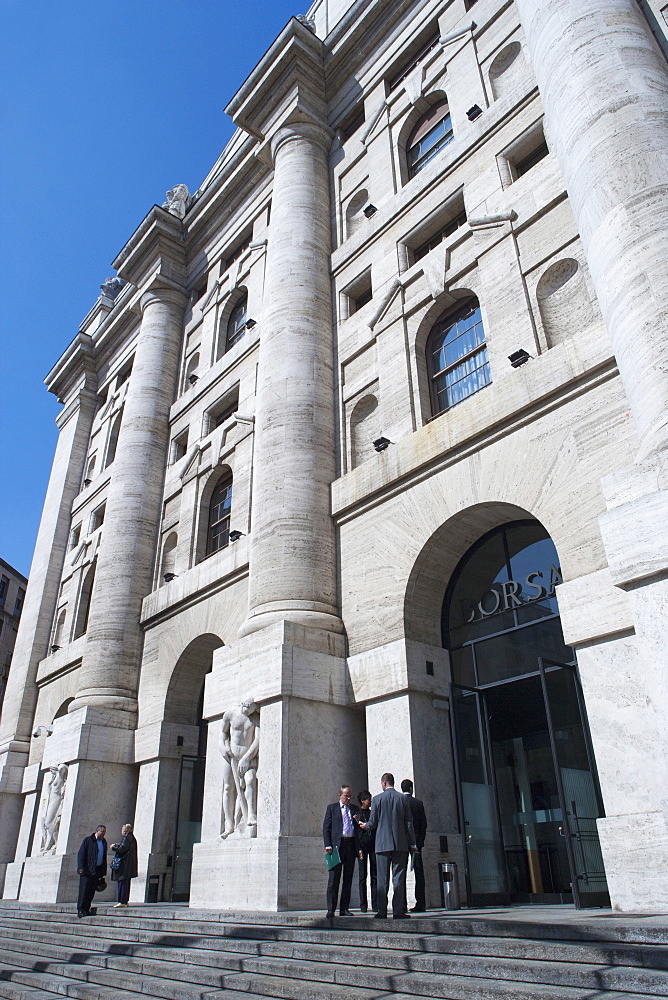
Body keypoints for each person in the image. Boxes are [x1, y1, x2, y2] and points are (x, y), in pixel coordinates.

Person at [362, 773, 416, 920]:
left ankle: (382, 911)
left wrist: (364, 825)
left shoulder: (377, 799)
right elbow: (409, 823)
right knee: (398, 877)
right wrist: (413, 843)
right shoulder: (403, 798)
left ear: (384, 783)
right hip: (400, 843)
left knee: (382, 879)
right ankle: (398, 911)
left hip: (382, 844)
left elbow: (372, 823)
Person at [322, 785, 363, 918]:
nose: (349, 798)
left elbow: (358, 830)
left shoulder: (354, 809)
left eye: (350, 796)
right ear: (340, 795)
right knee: (334, 879)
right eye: (346, 796)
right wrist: (327, 844)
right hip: (336, 847)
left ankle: (344, 908)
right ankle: (331, 909)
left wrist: (359, 848)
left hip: (350, 845)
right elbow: (326, 828)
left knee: (348, 878)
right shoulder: (332, 808)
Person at [401, 778, 428, 912]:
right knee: (418, 872)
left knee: (401, 871)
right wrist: (421, 840)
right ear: (411, 789)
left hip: (402, 842)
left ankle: (402, 903)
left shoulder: (400, 802)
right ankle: (420, 902)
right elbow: (424, 824)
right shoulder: (418, 803)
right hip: (416, 842)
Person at [76, 824, 107, 918]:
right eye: (102, 832)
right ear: (97, 831)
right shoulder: (88, 840)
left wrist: (103, 871)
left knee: (91, 891)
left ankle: (87, 908)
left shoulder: (104, 842)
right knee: (84, 891)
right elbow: (81, 854)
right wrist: (81, 867)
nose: (104, 834)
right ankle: (81, 909)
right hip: (87, 870)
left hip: (97, 870)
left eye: (105, 832)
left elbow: (103, 857)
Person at [354, 790, 377, 913]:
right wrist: (358, 848)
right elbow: (356, 833)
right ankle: (363, 905)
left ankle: (375, 904)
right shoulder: (358, 814)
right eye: (368, 799)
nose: (370, 801)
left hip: (372, 845)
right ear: (363, 800)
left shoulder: (372, 813)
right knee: (363, 876)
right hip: (362, 846)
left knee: (374, 875)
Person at [110, 823, 138, 908]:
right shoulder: (132, 838)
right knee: (125, 883)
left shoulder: (127, 837)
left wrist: (113, 847)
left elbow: (122, 849)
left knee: (122, 882)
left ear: (124, 831)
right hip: (129, 864)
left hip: (125, 864)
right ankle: (124, 901)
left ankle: (122, 901)